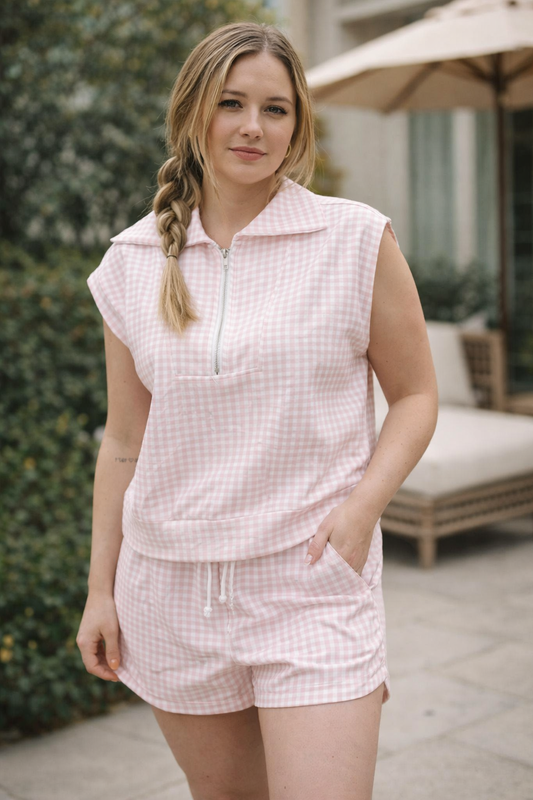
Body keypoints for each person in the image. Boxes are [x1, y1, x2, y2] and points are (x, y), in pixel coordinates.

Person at [77, 20, 438, 800]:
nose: (252, 127)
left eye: (275, 109)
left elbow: (414, 395)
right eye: (231, 103)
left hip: (307, 581)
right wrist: (101, 589)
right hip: (168, 591)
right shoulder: (130, 263)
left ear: (297, 124)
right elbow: (124, 443)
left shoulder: (352, 240)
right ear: (191, 113)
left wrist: (362, 509)